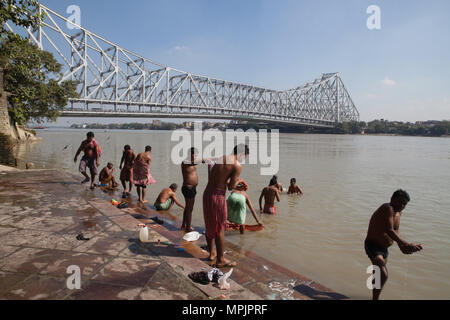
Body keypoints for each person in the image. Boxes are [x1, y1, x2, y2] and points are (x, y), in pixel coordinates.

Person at [365, 190, 423, 300]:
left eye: (404, 204)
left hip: (384, 249)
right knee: (383, 274)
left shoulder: (398, 212)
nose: (402, 205)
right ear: (392, 199)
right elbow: (389, 230)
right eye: (400, 202)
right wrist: (406, 243)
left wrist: (402, 247)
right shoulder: (387, 208)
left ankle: (372, 295)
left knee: (378, 274)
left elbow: (396, 229)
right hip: (373, 245)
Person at [203, 144, 249, 268]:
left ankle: (212, 253)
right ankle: (221, 259)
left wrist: (235, 184)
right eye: (244, 157)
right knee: (220, 227)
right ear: (241, 154)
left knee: (209, 223)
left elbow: (218, 178)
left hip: (207, 193)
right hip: (217, 196)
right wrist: (240, 183)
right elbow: (230, 187)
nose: (243, 160)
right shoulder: (237, 165)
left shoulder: (221, 158)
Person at [181, 147, 206, 232]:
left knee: (188, 207)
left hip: (192, 188)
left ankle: (184, 224)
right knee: (189, 208)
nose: (195, 157)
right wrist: (207, 159)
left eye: (196, 155)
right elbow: (199, 161)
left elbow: (199, 161)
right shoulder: (185, 161)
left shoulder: (193, 162)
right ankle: (188, 227)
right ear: (190, 154)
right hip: (188, 187)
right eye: (194, 155)